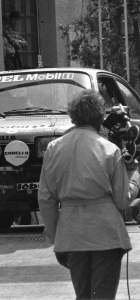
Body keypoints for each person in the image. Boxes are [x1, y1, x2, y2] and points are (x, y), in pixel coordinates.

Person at [38, 90, 140, 300]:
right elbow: (122, 200)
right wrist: (135, 175)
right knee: (102, 296)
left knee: (83, 295)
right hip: (106, 235)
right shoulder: (110, 150)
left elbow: (46, 198)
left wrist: (56, 236)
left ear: (73, 116)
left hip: (71, 235)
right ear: (101, 117)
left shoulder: (53, 148)